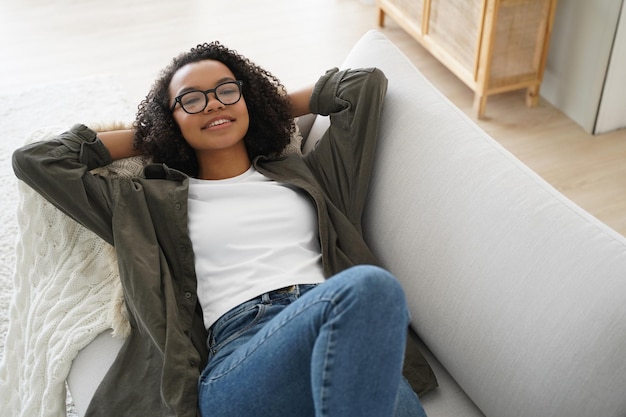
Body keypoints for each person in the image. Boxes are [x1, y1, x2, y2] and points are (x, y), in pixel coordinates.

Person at [12, 41, 430, 417]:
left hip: (339, 329)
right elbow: (38, 159)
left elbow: (362, 86)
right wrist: (157, 137)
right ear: (169, 119)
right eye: (191, 100)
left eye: (227, 91)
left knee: (368, 327)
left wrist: (259, 107)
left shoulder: (311, 178)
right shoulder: (145, 204)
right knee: (372, 289)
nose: (212, 104)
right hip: (241, 357)